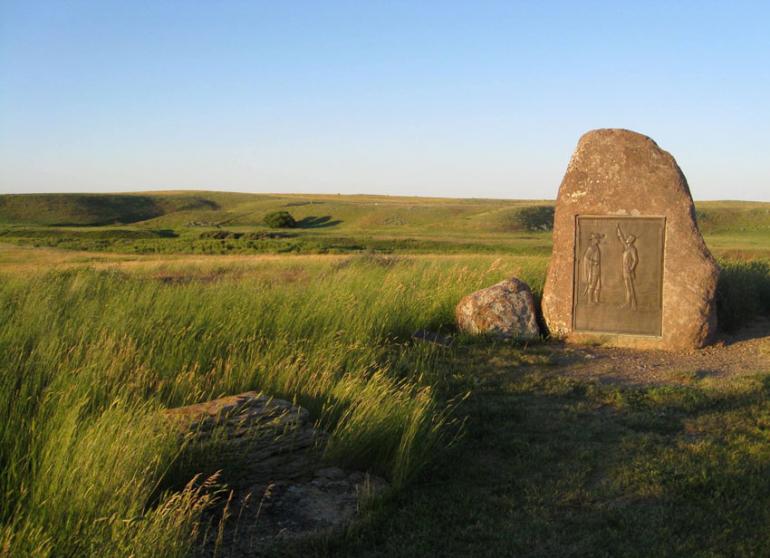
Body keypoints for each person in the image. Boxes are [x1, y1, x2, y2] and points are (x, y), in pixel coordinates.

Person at [616, 225, 638, 309]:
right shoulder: (627, 247)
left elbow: (635, 260)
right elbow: (622, 240)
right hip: (625, 270)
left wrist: (631, 269)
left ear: (631, 240)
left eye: (629, 238)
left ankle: (633, 304)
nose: (627, 238)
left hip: (628, 270)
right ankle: (629, 303)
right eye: (627, 237)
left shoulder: (632, 249)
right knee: (628, 287)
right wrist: (619, 232)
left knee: (630, 287)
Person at [582, 233, 603, 304]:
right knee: (592, 285)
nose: (598, 240)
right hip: (593, 270)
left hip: (597, 269)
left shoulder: (596, 247)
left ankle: (596, 300)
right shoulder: (591, 248)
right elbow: (586, 258)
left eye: (598, 239)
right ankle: (590, 301)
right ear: (594, 239)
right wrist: (593, 262)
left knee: (598, 286)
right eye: (597, 239)